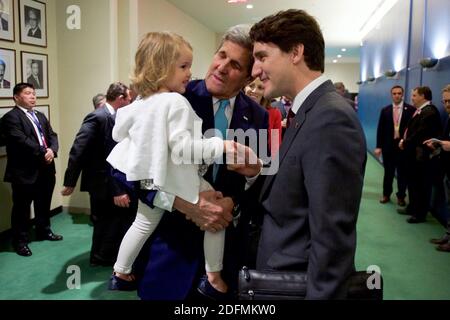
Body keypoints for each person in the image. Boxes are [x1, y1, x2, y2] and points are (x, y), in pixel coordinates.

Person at [106, 32, 253, 295]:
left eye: (236, 64)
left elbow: (262, 181)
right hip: (168, 256)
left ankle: (121, 270)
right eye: (221, 55)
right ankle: (212, 275)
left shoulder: (260, 115)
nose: (221, 66)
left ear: (248, 77)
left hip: (230, 247)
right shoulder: (179, 97)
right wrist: (184, 204)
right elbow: (131, 169)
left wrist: (238, 195)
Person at [247, 9, 367, 299]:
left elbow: (331, 241)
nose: (254, 70)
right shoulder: (308, 112)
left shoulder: (329, 118)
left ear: (296, 52)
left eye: (262, 56)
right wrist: (258, 169)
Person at [62, 82, 138, 266]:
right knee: (104, 221)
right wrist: (70, 181)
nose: (131, 101)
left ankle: (108, 255)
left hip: (111, 181)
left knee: (112, 221)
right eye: (129, 98)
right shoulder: (98, 117)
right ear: (121, 98)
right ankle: (100, 258)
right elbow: (79, 149)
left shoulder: (114, 116)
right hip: (101, 181)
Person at [0, 83, 61, 257]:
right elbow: (21, 140)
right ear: (16, 97)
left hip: (46, 169)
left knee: (43, 203)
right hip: (24, 172)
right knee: (22, 208)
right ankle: (20, 241)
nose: (33, 97)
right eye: (28, 93)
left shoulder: (39, 115)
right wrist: (44, 151)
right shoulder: (11, 118)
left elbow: (52, 136)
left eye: (34, 93)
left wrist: (52, 150)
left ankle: (44, 231)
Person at [399, 86, 442, 223]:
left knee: (421, 186)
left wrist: (405, 142)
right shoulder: (421, 111)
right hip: (414, 155)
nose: (412, 98)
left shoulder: (429, 112)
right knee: (413, 183)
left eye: (414, 95)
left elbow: (420, 134)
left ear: (423, 96)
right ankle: (412, 207)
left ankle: (420, 213)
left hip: (422, 157)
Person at [374, 85, 415, 206]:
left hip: (403, 147)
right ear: (391, 95)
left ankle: (401, 197)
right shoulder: (385, 110)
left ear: (402, 94)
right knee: (388, 173)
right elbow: (380, 129)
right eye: (394, 93)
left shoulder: (411, 110)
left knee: (403, 173)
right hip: (388, 147)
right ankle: (386, 194)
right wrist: (378, 146)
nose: (397, 95)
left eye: (399, 93)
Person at [424, 84, 450, 251]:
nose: (447, 104)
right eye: (445, 101)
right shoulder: (449, 118)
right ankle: (448, 236)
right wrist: (437, 142)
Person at [245, 77, 282, 153]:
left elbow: (275, 147)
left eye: (260, 88)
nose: (254, 91)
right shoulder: (233, 107)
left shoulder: (274, 113)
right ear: (244, 87)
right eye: (251, 86)